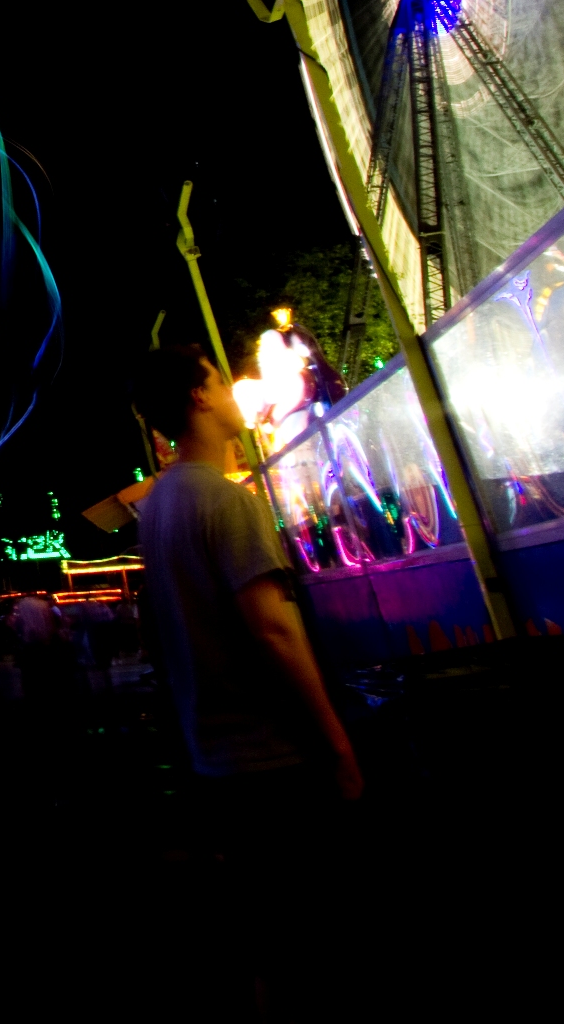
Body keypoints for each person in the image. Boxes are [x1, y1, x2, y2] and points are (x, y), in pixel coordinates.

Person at [133, 342, 362, 812]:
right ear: (201, 398)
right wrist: (338, 746)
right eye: (220, 381)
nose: (232, 392)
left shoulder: (157, 508)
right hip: (273, 756)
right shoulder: (229, 502)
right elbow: (275, 632)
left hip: (213, 758)